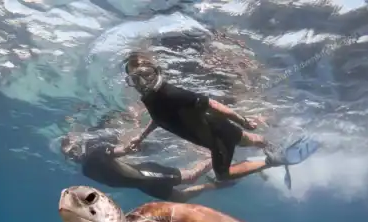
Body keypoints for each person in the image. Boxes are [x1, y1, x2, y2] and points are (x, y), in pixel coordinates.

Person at [121, 51, 298, 182]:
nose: (142, 83)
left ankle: (272, 161)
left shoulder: (171, 93)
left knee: (223, 175)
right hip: (220, 128)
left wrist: (242, 120)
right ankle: (273, 146)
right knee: (247, 140)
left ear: (156, 71)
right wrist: (141, 136)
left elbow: (212, 104)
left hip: (217, 138)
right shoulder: (150, 99)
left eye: (145, 75)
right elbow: (159, 118)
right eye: (135, 79)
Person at [59, 127, 235, 203]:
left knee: (191, 176)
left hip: (145, 174)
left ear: (78, 144)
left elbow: (122, 150)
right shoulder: (86, 170)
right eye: (68, 154)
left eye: (72, 149)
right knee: (179, 198)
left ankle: (217, 154)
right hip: (140, 184)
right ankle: (213, 185)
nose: (72, 155)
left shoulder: (94, 153)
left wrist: (132, 143)